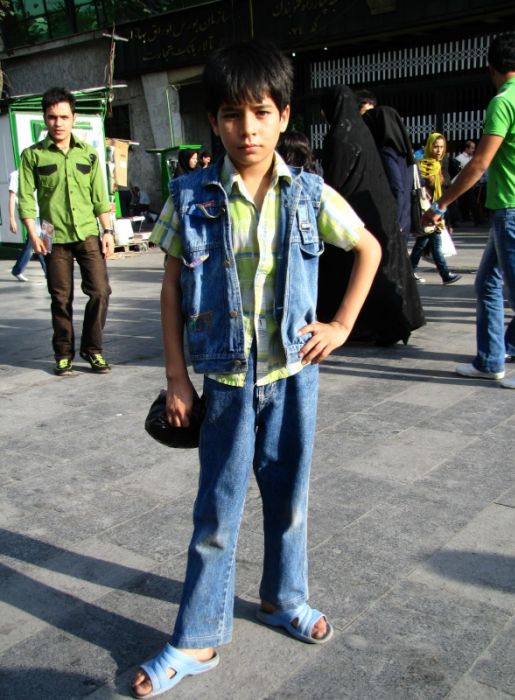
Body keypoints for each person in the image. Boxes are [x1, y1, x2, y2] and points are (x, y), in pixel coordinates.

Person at [131, 40, 381, 698]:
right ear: (214, 121)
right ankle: (197, 637)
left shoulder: (308, 194)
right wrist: (177, 378)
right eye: (232, 115)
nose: (248, 129)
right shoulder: (190, 197)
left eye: (262, 112)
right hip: (226, 382)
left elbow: (369, 247)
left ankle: (283, 598)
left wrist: (341, 326)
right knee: (216, 512)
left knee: (289, 499)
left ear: (283, 116)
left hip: (293, 379)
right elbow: (170, 288)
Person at [423, 32, 515, 389]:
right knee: (487, 283)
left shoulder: (504, 102)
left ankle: (498, 357)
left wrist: (442, 204)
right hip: (513, 210)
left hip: (512, 207)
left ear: (491, 68)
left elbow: (479, 163)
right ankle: (491, 359)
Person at [18, 86, 114, 376]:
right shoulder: (33, 156)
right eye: (52, 117)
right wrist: (33, 232)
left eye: (63, 117)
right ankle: (63, 353)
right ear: (44, 119)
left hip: (87, 232)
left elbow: (100, 198)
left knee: (101, 291)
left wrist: (108, 232)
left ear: (74, 118)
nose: (57, 123)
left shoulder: (89, 155)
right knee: (61, 298)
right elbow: (25, 197)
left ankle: (92, 349)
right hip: (52, 234)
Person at [320, 85, 425, 346]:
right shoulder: (365, 134)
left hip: (350, 215)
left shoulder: (339, 137)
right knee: (377, 274)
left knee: (347, 271)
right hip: (376, 213)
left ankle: (356, 325)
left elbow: (335, 181)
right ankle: (387, 325)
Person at [410, 133, 462, 285]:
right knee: (433, 243)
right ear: (428, 146)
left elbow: (445, 189)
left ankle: (410, 271)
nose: (439, 150)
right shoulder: (421, 165)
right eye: (435, 146)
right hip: (427, 210)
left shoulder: (440, 164)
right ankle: (445, 275)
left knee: (423, 243)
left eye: (441, 147)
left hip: (438, 210)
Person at [361, 100, 415, 240]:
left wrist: (393, 224)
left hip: (392, 224)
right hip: (404, 220)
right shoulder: (405, 154)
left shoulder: (386, 152)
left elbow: (396, 189)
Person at [9, 169, 47, 282]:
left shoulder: (36, 172)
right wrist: (12, 219)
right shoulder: (15, 175)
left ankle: (17, 270)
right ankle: (48, 272)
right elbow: (12, 197)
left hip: (43, 211)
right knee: (37, 241)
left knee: (39, 243)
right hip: (29, 214)